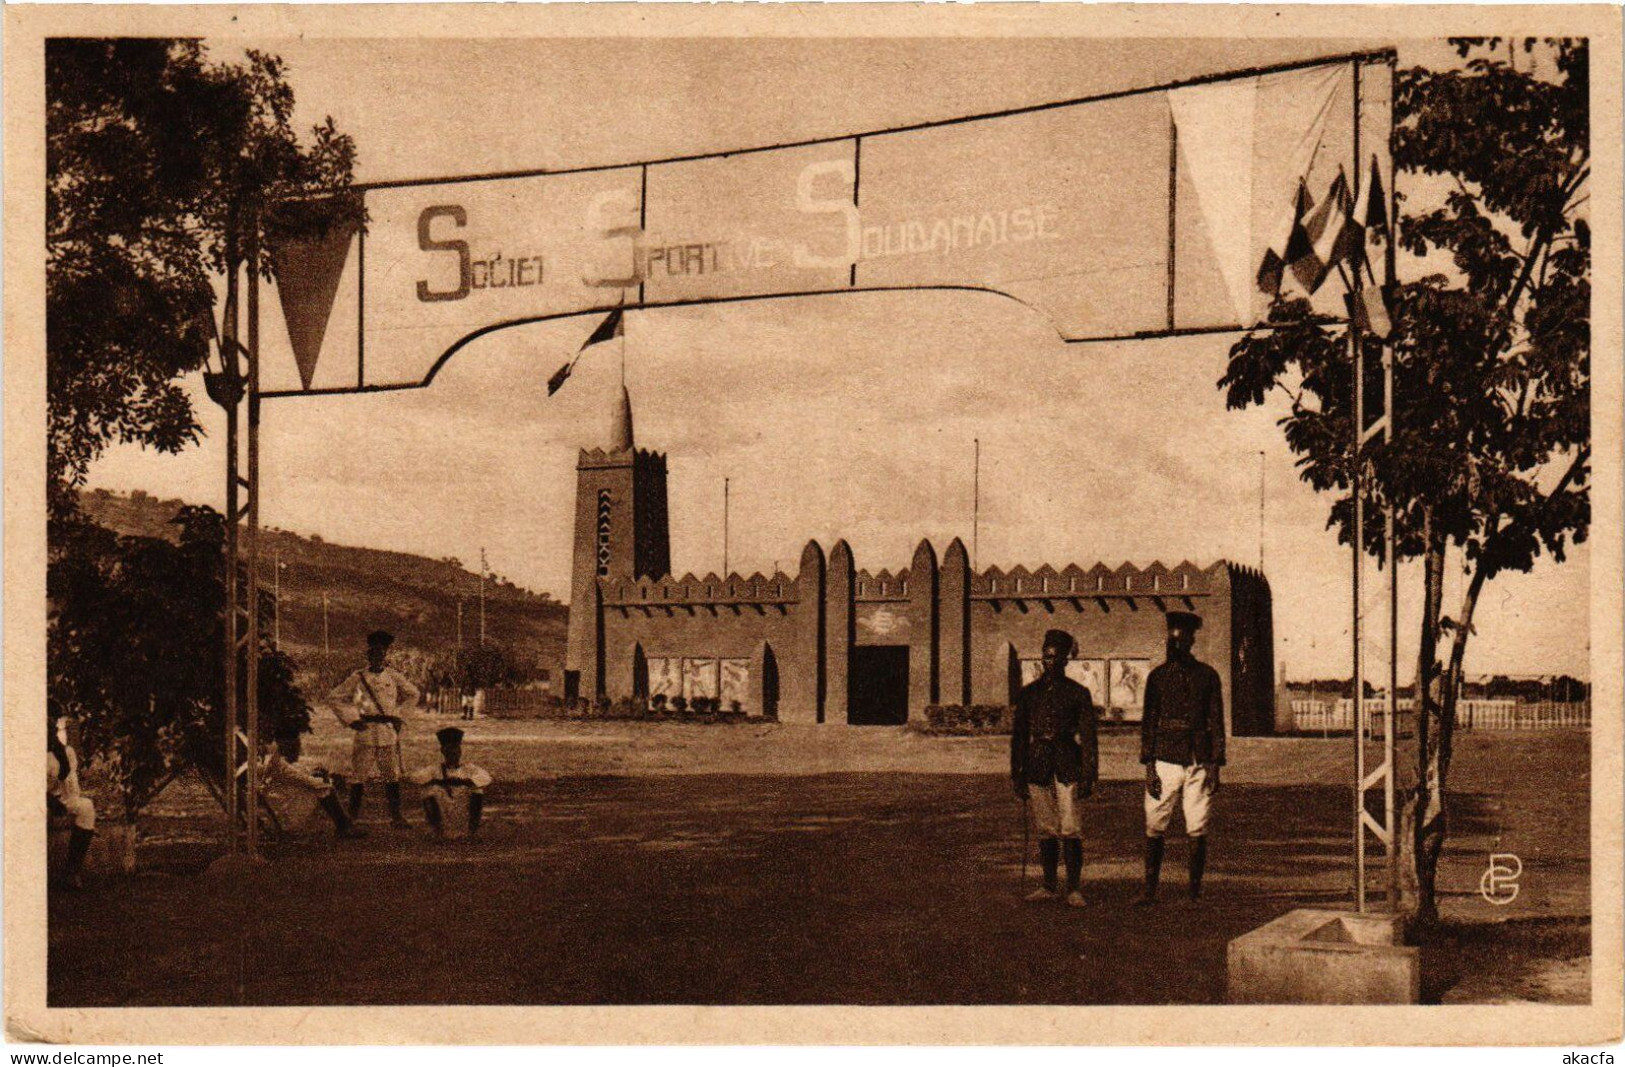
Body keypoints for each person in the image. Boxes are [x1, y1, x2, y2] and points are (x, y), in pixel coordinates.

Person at [1136, 610, 1226, 905]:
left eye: (1182, 640)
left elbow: (1216, 721)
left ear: (1191, 641)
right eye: (1172, 640)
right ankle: (1149, 891)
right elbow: (1148, 722)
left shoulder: (1208, 676)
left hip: (1198, 759)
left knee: (1197, 825)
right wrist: (1149, 766)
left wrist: (1215, 764)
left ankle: (1194, 894)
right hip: (1164, 758)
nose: (1176, 646)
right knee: (1155, 823)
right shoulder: (1157, 677)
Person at [1009, 628, 1099, 907]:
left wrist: (1088, 774)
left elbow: (1089, 739)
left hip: (1067, 763)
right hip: (1037, 764)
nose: (1051, 662)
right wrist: (1017, 775)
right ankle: (1048, 885)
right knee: (1046, 828)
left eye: (1057, 658)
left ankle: (1073, 888)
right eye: (1047, 657)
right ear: (1041, 658)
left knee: (1071, 827)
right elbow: (1019, 737)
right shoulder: (1028, 694)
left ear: (1066, 660)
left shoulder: (1078, 693)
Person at [328, 630, 420, 826]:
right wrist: (351, 719)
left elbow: (414, 694)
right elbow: (334, 697)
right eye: (373, 653)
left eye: (381, 653)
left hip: (387, 731)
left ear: (385, 655)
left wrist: (399, 716)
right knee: (358, 776)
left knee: (391, 775)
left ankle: (396, 817)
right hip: (366, 731)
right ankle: (351, 818)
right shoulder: (358, 677)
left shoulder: (393, 676)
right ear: (368, 655)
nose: (377, 657)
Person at [259, 730, 367, 840]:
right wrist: (325, 779)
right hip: (284, 811)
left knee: (319, 782)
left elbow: (300, 774)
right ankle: (343, 825)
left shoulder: (275, 760)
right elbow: (306, 780)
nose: (298, 749)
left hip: (278, 801)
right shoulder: (281, 765)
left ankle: (343, 824)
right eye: (295, 746)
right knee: (321, 788)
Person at [412, 726, 492, 839]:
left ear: (460, 752)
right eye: (450, 752)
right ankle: (438, 832)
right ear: (444, 752)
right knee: (429, 791)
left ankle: (471, 832)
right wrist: (439, 781)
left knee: (477, 791)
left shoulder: (469, 768)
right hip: (443, 809)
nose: (453, 755)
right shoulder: (435, 769)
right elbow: (416, 777)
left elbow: (486, 777)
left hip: (463, 811)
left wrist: (466, 781)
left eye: (456, 751)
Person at [47, 718, 96, 890]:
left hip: (60, 799)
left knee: (86, 807)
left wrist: (59, 800)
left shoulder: (66, 752)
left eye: (53, 731)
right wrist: (48, 800)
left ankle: (71, 872)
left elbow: (69, 784)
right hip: (36, 801)